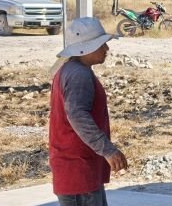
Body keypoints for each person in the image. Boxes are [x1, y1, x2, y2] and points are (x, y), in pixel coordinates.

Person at [49, 17, 126, 206]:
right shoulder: (78, 75)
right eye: (102, 45)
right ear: (86, 48)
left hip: (78, 169)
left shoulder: (71, 69)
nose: (107, 49)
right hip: (78, 172)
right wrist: (108, 150)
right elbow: (78, 116)